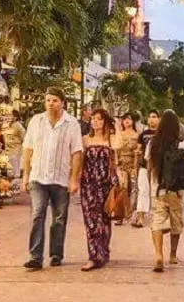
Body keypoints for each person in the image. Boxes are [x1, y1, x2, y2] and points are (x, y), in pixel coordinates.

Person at [20, 87, 84, 270]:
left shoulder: (71, 124)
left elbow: (77, 153)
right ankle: (35, 256)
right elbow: (28, 149)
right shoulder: (36, 121)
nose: (51, 104)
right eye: (48, 100)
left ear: (62, 102)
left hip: (61, 178)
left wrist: (74, 179)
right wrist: (25, 175)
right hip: (38, 177)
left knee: (59, 218)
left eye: (55, 100)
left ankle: (56, 254)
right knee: (37, 214)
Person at [146, 110, 184, 272]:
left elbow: (149, 165)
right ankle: (172, 255)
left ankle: (159, 255)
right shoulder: (182, 144)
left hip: (158, 187)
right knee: (176, 220)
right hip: (177, 189)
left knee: (157, 220)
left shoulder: (153, 143)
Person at [74, 109, 117, 271]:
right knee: (91, 220)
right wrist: (75, 179)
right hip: (89, 183)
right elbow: (80, 162)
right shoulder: (85, 139)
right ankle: (93, 256)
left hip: (107, 183)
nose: (96, 122)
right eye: (93, 119)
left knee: (105, 219)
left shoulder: (111, 139)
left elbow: (116, 161)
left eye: (99, 119)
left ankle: (104, 251)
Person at [132, 110, 160, 227]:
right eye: (150, 117)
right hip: (144, 166)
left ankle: (157, 218)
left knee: (156, 192)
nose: (151, 119)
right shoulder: (143, 134)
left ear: (159, 119)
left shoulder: (162, 134)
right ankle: (140, 218)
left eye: (154, 117)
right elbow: (138, 151)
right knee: (142, 191)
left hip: (158, 167)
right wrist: (135, 167)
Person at [114, 113, 139, 226]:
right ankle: (120, 214)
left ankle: (130, 213)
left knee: (133, 190)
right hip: (121, 163)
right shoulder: (119, 134)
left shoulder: (137, 135)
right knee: (122, 188)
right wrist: (115, 161)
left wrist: (135, 166)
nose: (127, 121)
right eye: (124, 120)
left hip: (132, 163)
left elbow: (137, 153)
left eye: (129, 119)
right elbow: (115, 149)